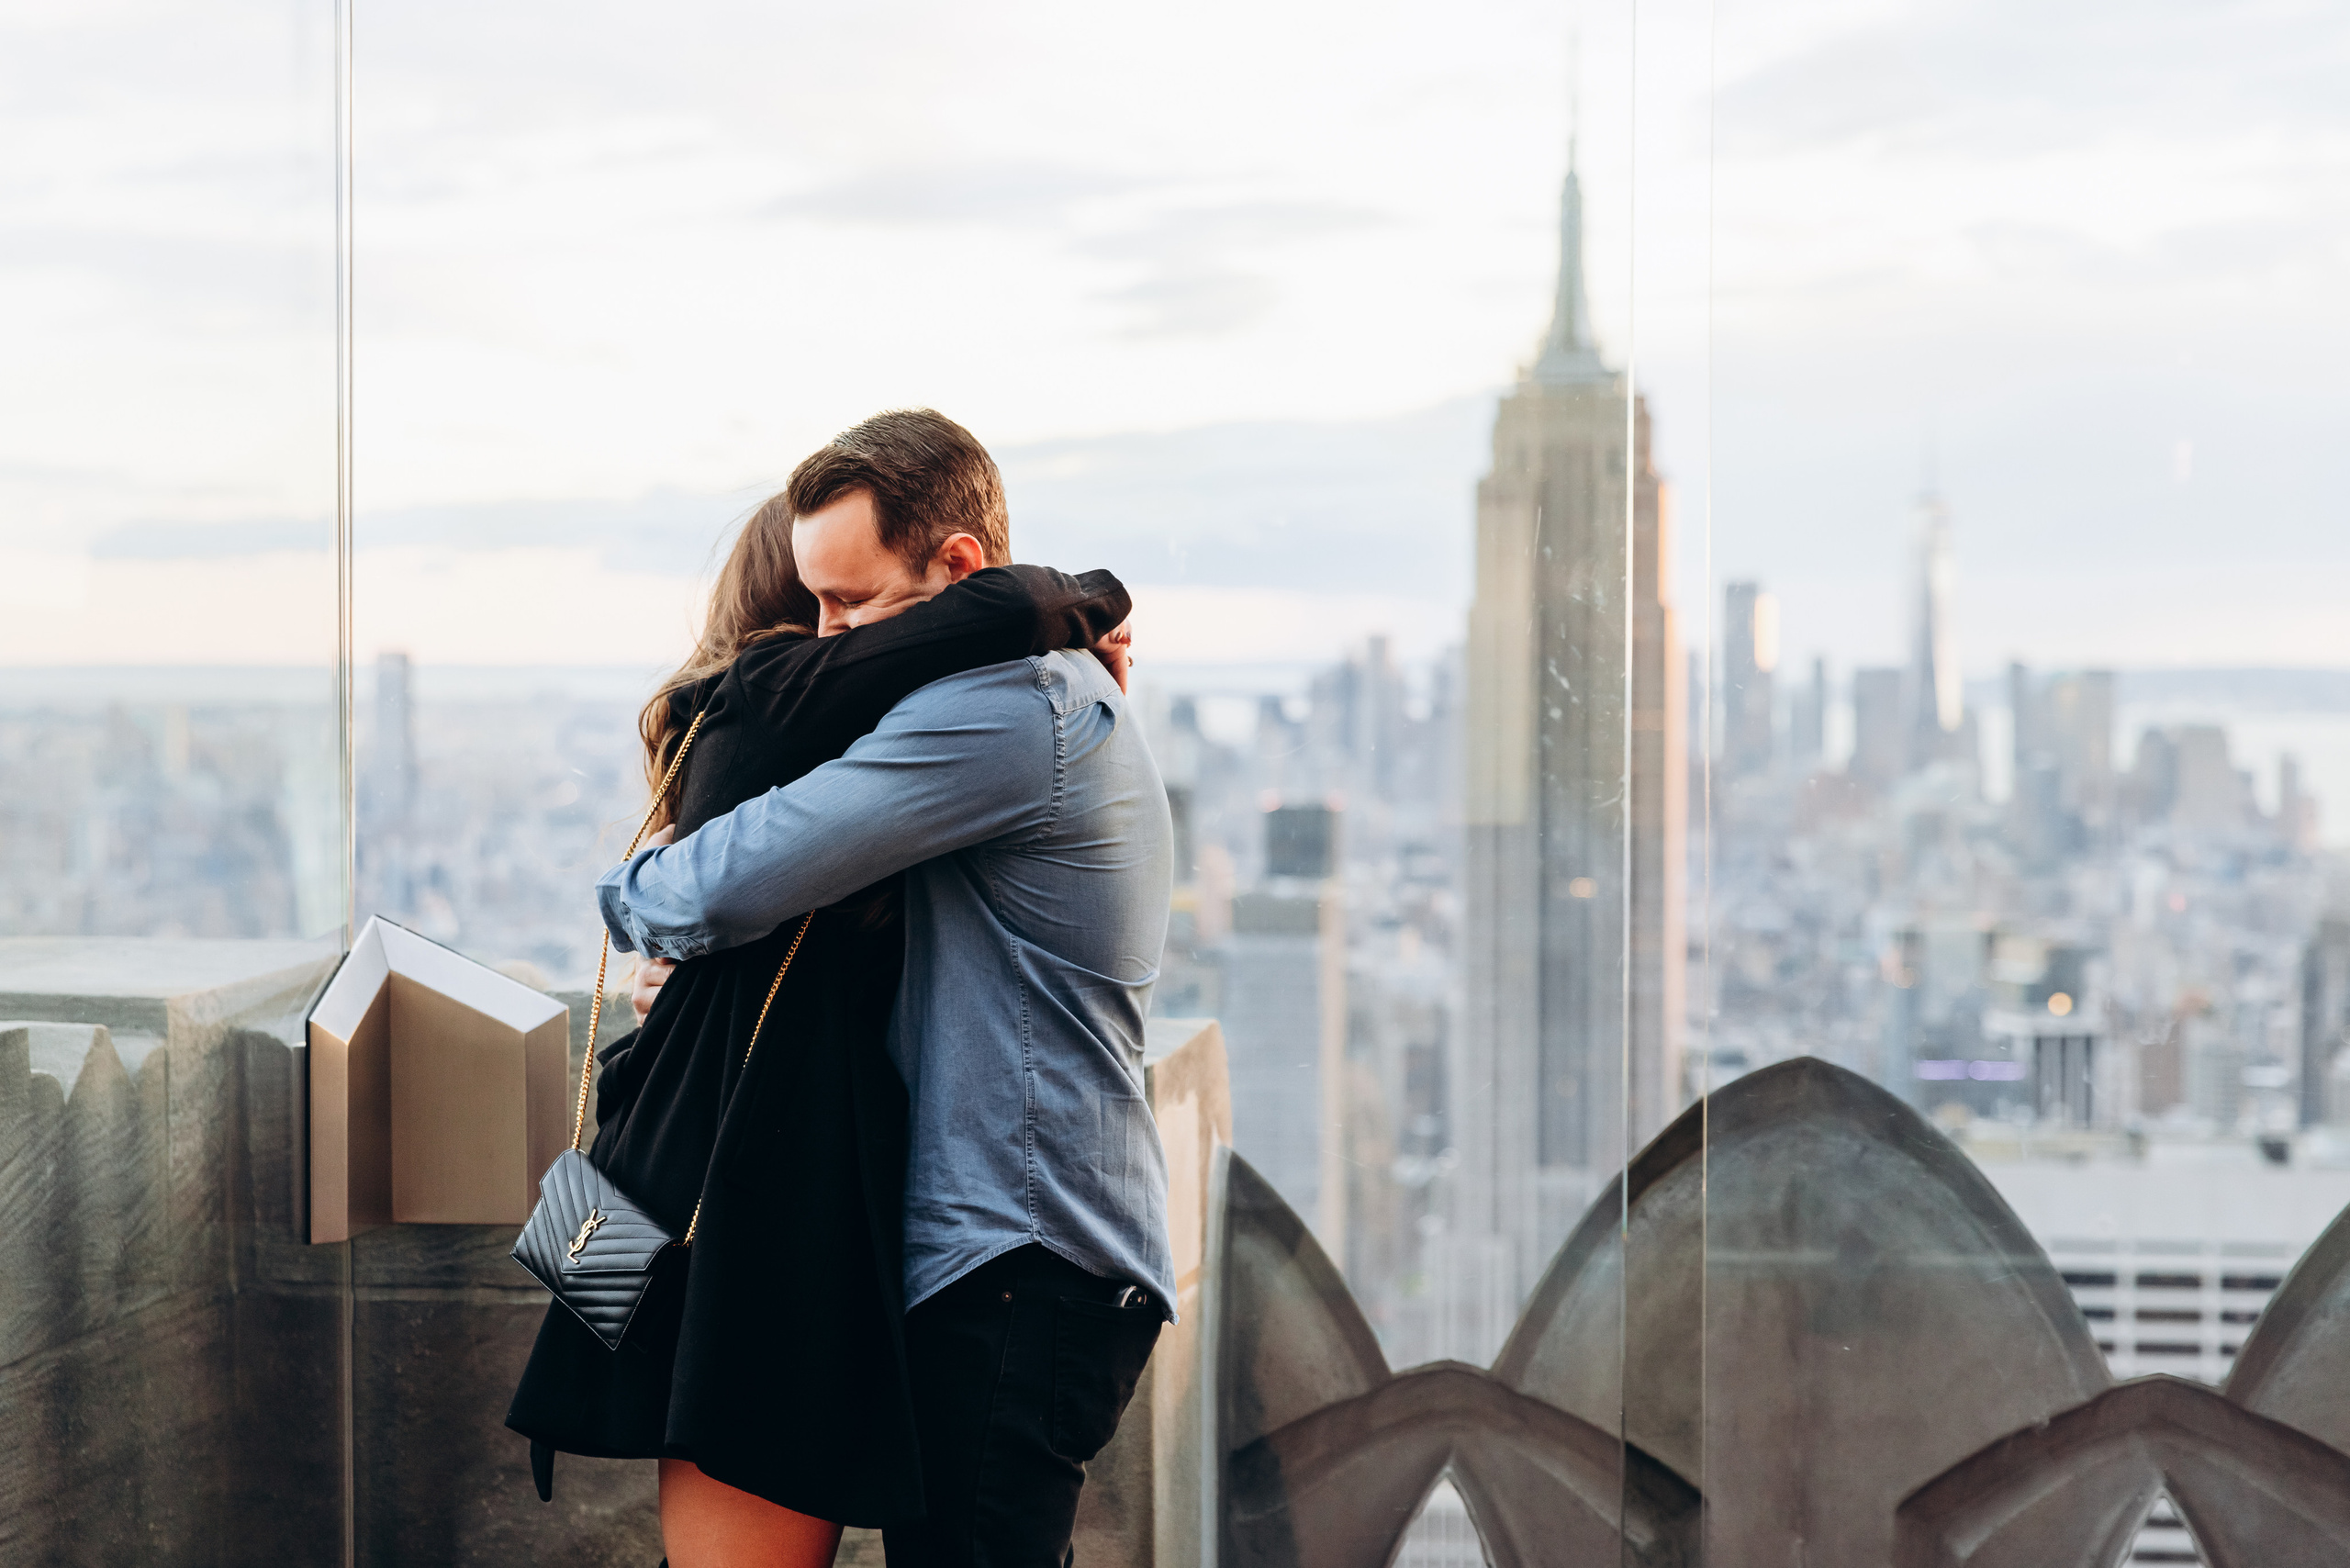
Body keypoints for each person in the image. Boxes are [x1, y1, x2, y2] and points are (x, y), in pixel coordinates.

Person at [505, 409, 1136, 1568]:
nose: (840, 643)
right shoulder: (978, 708)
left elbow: (699, 892)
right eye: (817, 618)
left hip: (1009, 1259)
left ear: (949, 570)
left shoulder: (1009, 711)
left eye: (855, 610)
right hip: (923, 1252)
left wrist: (641, 890)